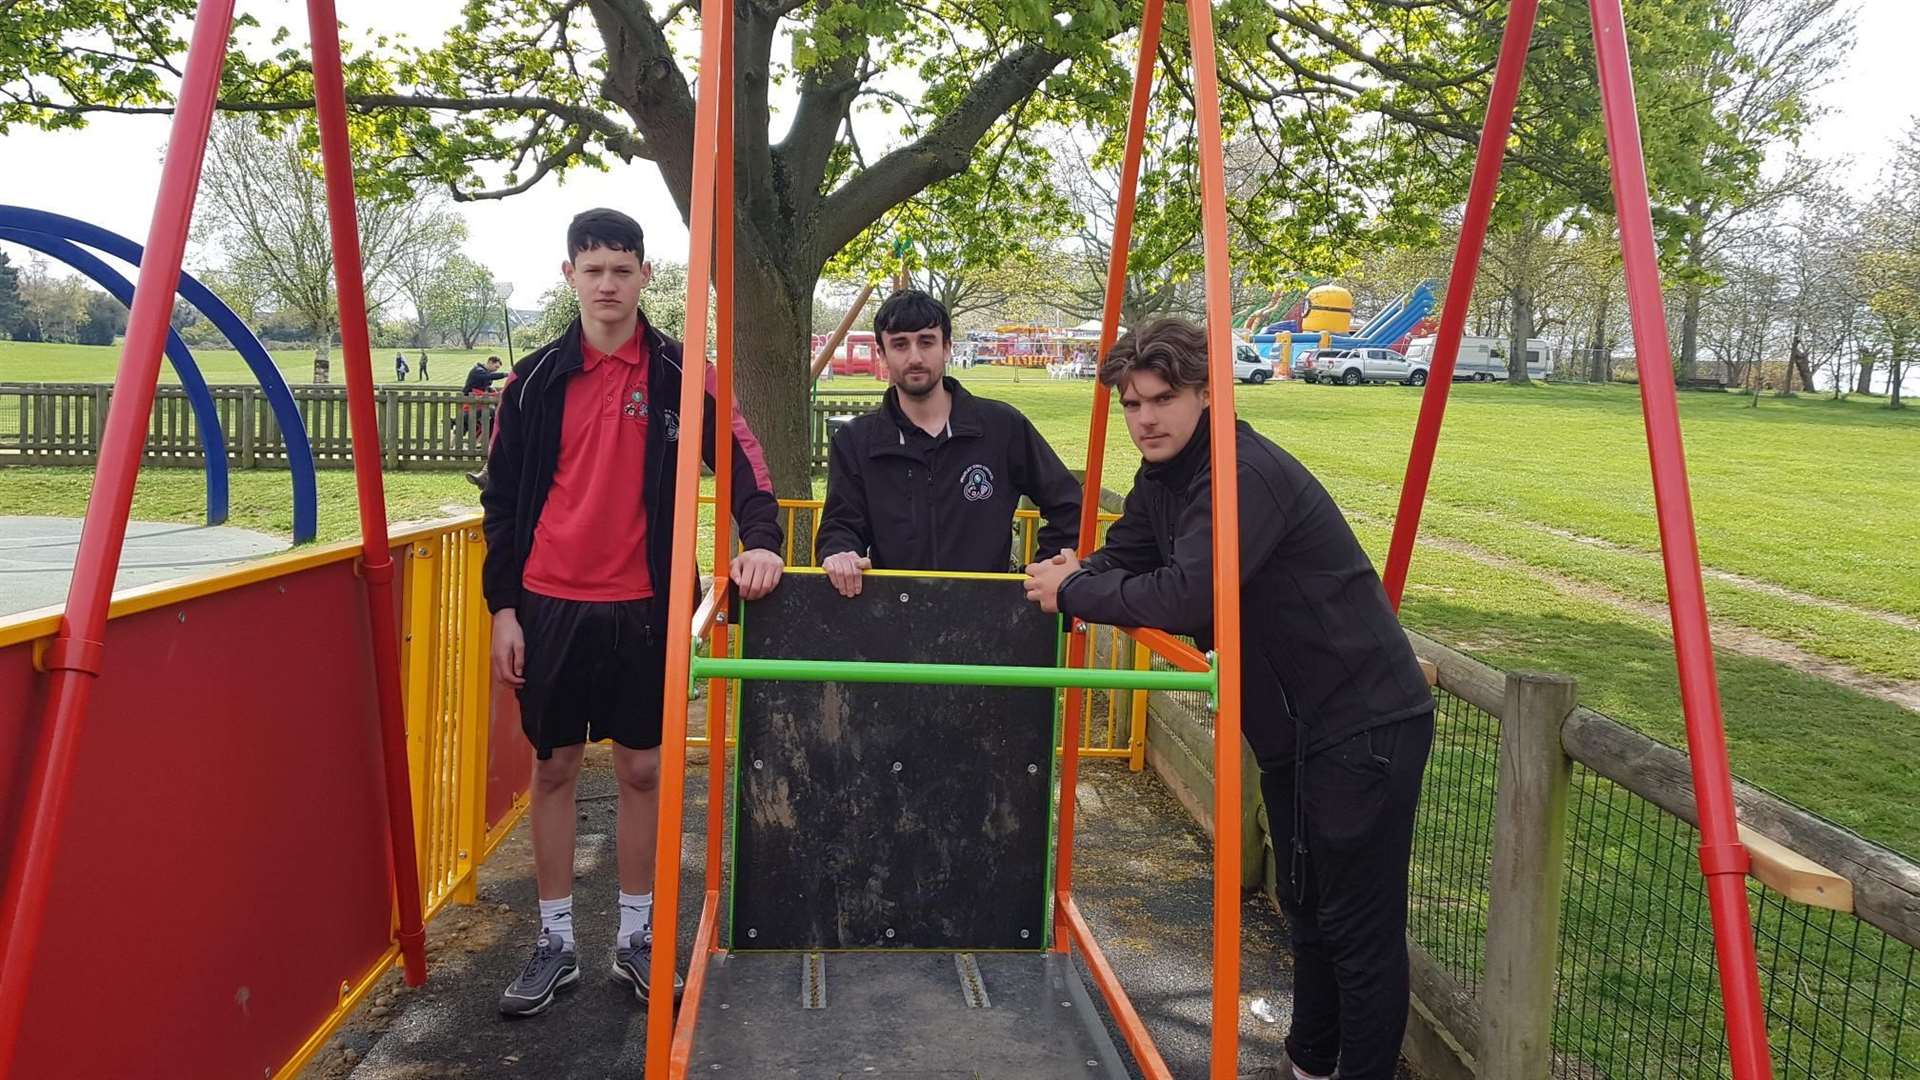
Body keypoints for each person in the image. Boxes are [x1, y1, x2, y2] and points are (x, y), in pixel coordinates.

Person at [1021, 318, 1434, 1080]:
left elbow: (1189, 592)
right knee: (1305, 907)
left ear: (1208, 393)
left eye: (1163, 399)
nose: (1146, 418)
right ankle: (1311, 1060)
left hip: (1362, 720)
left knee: (1358, 926)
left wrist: (1078, 588)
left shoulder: (1240, 475)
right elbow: (1131, 555)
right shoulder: (1166, 477)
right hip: (1294, 729)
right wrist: (1082, 569)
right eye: (1132, 403)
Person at [481, 207, 786, 1018]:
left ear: (647, 276)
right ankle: (554, 943)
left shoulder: (687, 377)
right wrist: (503, 609)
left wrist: (761, 542)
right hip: (549, 606)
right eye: (594, 269)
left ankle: (636, 938)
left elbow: (748, 468)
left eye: (623, 268)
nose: (609, 283)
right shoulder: (534, 383)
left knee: (644, 768)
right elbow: (503, 505)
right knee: (552, 768)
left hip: (649, 608)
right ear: (570, 276)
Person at [814, 289, 1080, 595]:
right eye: (900, 344)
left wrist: (1039, 571)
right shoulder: (857, 440)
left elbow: (1068, 503)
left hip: (987, 617)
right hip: (892, 617)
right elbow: (841, 523)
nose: (915, 357)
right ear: (882, 355)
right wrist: (840, 551)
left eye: (926, 342)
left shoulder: (1002, 427)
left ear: (948, 348)